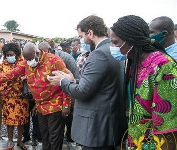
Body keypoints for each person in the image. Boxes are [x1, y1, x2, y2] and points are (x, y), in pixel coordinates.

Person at [48, 15, 127, 150]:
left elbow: (82, 92)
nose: (81, 40)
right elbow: (100, 84)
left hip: (97, 127)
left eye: (82, 36)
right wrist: (73, 80)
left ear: (90, 33)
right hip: (108, 124)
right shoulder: (112, 49)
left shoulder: (99, 54)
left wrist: (62, 82)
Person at [0, 43, 71, 150]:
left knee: (55, 137)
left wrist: (66, 105)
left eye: (30, 59)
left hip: (55, 105)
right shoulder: (27, 63)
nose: (29, 62)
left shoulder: (54, 61)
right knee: (45, 136)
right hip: (41, 107)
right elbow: (9, 75)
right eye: (27, 59)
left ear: (37, 53)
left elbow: (67, 82)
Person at [110, 15, 177, 150]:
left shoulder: (164, 66)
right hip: (139, 141)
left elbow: (168, 126)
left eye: (116, 43)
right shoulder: (135, 62)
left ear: (130, 41)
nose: (113, 47)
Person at [38, 41, 78, 144]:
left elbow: (74, 80)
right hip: (50, 101)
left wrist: (67, 104)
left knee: (69, 118)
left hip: (67, 95)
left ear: (50, 51)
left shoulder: (65, 59)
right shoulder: (40, 60)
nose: (41, 56)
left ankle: (70, 139)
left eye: (43, 53)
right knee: (53, 131)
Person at [0, 43, 29, 149]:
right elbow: (1, 79)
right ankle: (10, 141)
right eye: (7, 55)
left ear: (16, 54)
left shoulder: (24, 63)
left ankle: (20, 141)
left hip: (21, 97)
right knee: (9, 122)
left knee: (21, 121)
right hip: (8, 98)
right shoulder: (3, 65)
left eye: (11, 54)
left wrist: (25, 78)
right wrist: (15, 80)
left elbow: (30, 76)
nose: (9, 57)